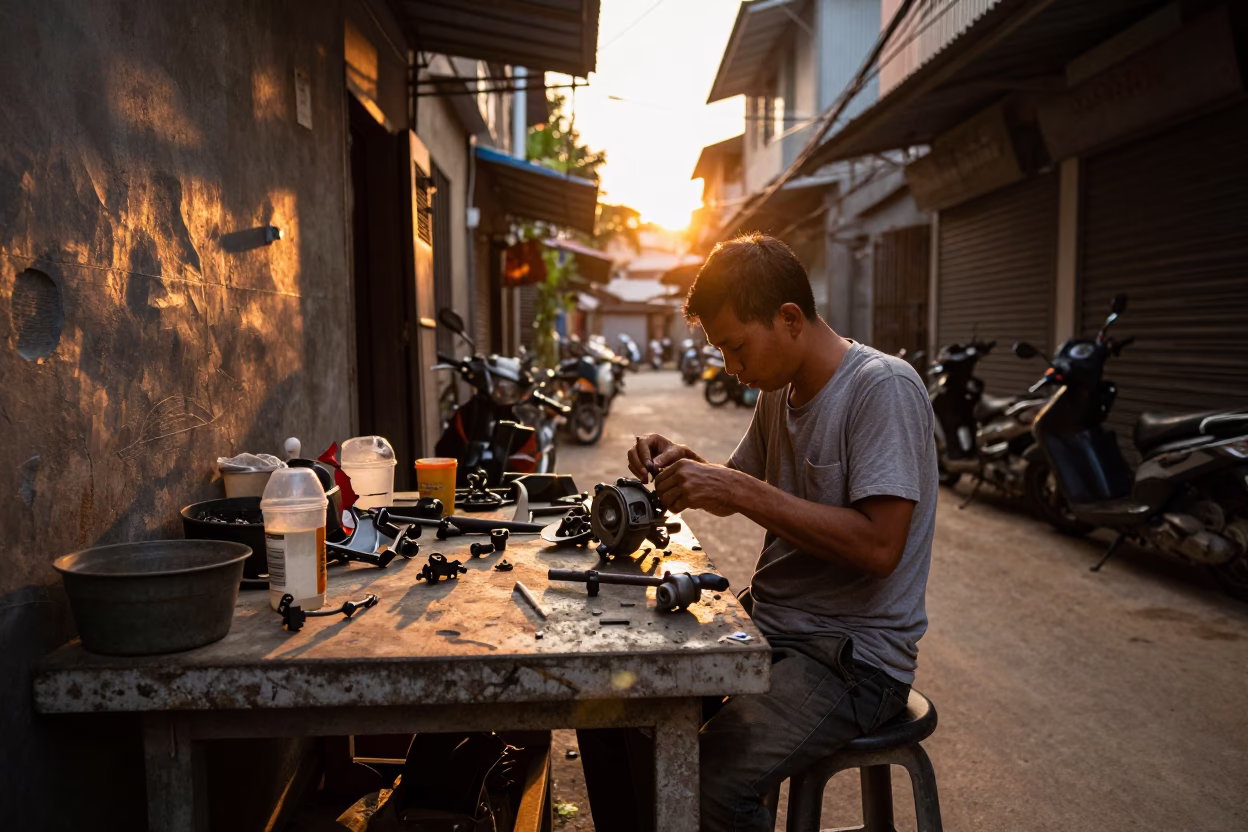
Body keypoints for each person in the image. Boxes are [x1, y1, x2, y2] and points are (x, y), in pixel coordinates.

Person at [577, 233, 938, 831]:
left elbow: (879, 547)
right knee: (610, 710)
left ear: (789, 318)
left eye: (737, 347)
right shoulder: (779, 393)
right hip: (769, 630)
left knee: (708, 784)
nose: (731, 367)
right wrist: (689, 467)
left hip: (853, 659)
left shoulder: (882, 388)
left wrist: (736, 489)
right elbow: (739, 484)